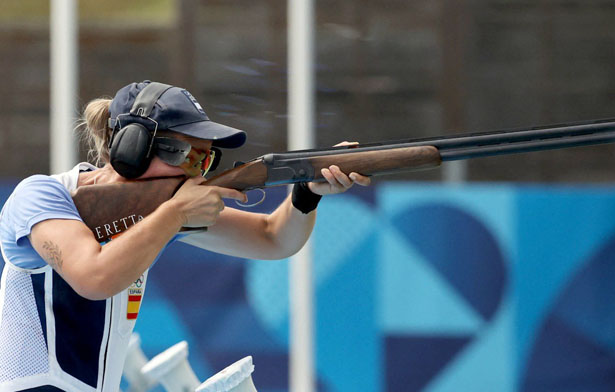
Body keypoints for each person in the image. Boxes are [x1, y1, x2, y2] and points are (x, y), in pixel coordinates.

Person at [0, 81, 370, 391]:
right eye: (187, 156)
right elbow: (94, 277)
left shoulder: (159, 215)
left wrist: (306, 193)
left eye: (205, 161)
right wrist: (174, 214)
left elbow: (273, 238)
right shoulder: (43, 196)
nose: (196, 174)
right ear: (132, 148)